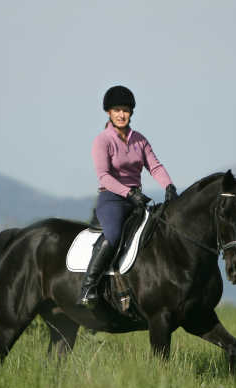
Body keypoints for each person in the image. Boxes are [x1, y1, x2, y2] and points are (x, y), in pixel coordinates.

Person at [77, 85, 178, 308]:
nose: (121, 115)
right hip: (112, 199)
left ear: (131, 112)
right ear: (108, 113)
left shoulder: (140, 140)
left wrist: (169, 186)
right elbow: (104, 176)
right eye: (117, 110)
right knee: (113, 235)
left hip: (136, 199)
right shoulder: (102, 140)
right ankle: (88, 286)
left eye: (125, 110)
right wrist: (128, 193)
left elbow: (155, 167)